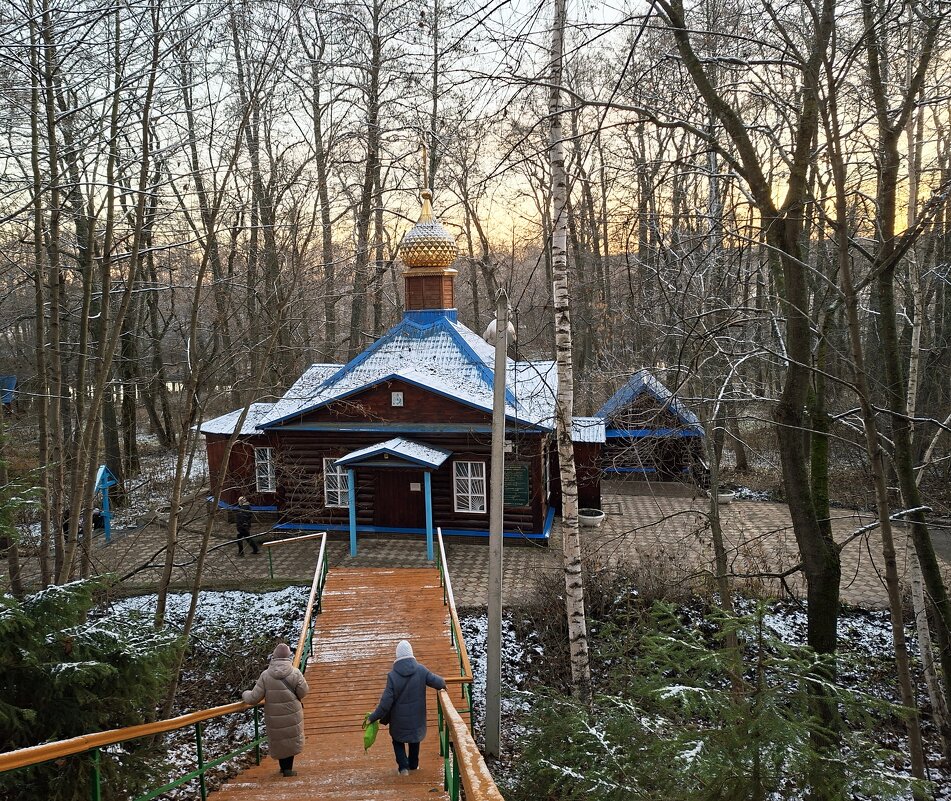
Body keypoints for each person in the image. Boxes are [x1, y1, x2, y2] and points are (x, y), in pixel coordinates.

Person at [366, 640, 446, 775]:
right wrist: (443, 685)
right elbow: (437, 681)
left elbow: (385, 703)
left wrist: (373, 717)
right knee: (415, 740)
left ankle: (403, 767)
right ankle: (414, 765)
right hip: (417, 719)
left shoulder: (392, 676)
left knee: (397, 741)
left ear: (397, 656)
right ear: (411, 654)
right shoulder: (421, 670)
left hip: (398, 721)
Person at [242, 642, 309, 777]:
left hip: (274, 714)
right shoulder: (295, 673)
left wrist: (244, 694)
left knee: (280, 739)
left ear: (274, 656)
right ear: (289, 656)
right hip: (292, 712)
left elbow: (254, 698)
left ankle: (283, 768)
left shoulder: (266, 675)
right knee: (290, 738)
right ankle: (288, 769)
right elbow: (303, 692)